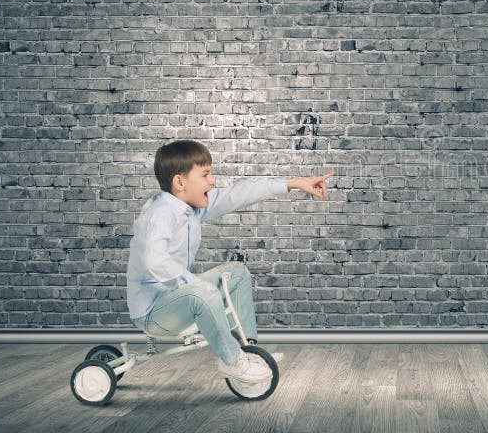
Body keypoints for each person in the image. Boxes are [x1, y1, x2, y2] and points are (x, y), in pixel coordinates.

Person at [127, 139, 333, 392]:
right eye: (205, 175)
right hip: (153, 313)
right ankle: (233, 361)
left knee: (236, 273)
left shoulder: (191, 207)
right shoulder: (159, 214)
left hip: (176, 298)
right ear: (180, 182)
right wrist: (197, 287)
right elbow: (155, 261)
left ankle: (245, 349)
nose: (212, 181)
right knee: (201, 292)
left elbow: (239, 193)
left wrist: (293, 184)